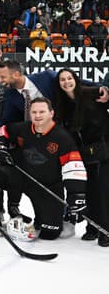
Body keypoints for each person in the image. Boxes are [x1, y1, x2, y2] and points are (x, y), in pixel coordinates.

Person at [0, 97, 87, 241]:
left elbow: (73, 167)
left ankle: (40, 223)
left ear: (51, 113)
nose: (37, 116)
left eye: (42, 112)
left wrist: (77, 195)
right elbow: (3, 130)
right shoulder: (23, 128)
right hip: (21, 177)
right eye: (34, 112)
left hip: (46, 186)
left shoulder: (62, 138)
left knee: (50, 233)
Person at [53, 69, 109, 246]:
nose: (66, 82)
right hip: (82, 154)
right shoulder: (62, 104)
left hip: (102, 149)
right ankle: (92, 227)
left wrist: (105, 88)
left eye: (69, 78)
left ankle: (105, 230)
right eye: (62, 79)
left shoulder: (91, 93)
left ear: (76, 79)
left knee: (102, 191)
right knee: (89, 190)